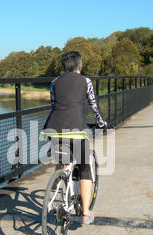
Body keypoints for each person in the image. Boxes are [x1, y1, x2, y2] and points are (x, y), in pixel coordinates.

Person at [43, 50, 107, 225]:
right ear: (80, 65)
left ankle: (57, 180)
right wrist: (102, 123)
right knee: (85, 168)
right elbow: (94, 105)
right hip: (77, 130)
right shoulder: (86, 81)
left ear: (64, 66)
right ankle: (85, 213)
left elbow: (54, 104)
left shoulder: (54, 82)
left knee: (62, 159)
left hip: (54, 128)